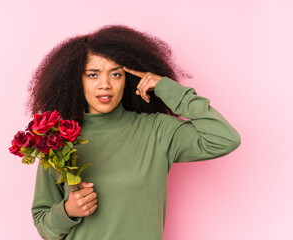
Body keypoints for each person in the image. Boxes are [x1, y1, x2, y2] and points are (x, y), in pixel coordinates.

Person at [26, 25, 241, 240]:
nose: (105, 85)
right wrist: (67, 212)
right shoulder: (57, 139)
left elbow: (224, 138)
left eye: (116, 74)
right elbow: (44, 227)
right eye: (93, 74)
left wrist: (168, 89)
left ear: (127, 79)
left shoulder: (157, 130)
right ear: (76, 81)